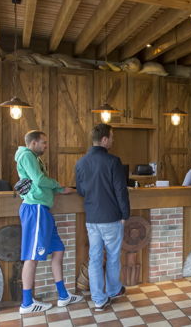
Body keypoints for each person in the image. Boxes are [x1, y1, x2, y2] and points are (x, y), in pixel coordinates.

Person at [15, 130, 82, 314]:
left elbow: (37, 182)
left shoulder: (33, 157)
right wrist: (58, 186)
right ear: (34, 142)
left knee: (58, 250)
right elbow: (38, 179)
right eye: (44, 142)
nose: (46, 146)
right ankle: (27, 303)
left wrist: (57, 190)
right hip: (35, 209)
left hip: (42, 210)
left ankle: (63, 295)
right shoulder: (27, 155)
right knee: (31, 257)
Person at [75, 124, 130, 311]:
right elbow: (121, 191)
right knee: (113, 257)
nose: (113, 141)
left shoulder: (80, 163)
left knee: (95, 259)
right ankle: (113, 290)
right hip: (111, 217)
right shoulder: (113, 161)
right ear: (104, 139)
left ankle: (99, 299)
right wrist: (125, 214)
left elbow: (81, 191)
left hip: (92, 218)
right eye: (112, 137)